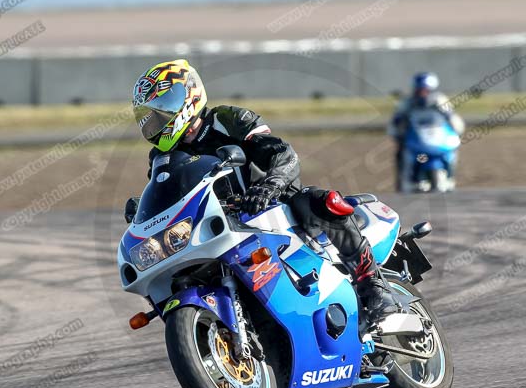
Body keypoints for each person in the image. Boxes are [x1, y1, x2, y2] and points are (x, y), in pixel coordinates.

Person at [131, 59, 398, 325]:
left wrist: (270, 185)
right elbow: (168, 198)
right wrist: (142, 212)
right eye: (151, 117)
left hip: (269, 206)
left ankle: (373, 285)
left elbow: (283, 153)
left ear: (188, 96)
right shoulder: (161, 156)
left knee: (317, 201)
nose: (156, 122)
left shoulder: (227, 119)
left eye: (161, 112)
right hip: (216, 226)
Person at [388, 72, 465, 192]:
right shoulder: (408, 103)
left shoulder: (440, 100)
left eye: (425, 90)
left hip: (437, 137)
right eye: (420, 90)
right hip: (416, 139)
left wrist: (457, 131)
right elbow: (396, 121)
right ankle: (404, 180)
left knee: (451, 152)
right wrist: (397, 133)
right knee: (401, 153)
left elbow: (451, 117)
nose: (422, 93)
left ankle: (450, 176)